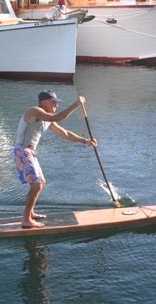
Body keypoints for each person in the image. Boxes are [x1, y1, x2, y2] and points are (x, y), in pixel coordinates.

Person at [13, 90, 97, 229]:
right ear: (44, 102)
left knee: (41, 183)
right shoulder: (34, 111)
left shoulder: (47, 118)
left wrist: (85, 141)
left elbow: (65, 133)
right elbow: (58, 117)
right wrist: (76, 104)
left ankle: (31, 213)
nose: (56, 105)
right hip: (23, 151)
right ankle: (26, 220)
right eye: (54, 102)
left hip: (30, 152)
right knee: (36, 184)